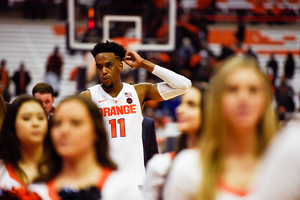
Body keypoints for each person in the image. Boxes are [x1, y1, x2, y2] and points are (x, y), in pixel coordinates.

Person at [163, 55, 278, 200]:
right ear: (216, 101)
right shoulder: (188, 166)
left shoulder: (286, 167)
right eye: (232, 89)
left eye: (253, 90)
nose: (243, 97)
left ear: (265, 100)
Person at [80, 41, 191, 187]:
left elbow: (184, 85)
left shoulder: (137, 93)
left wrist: (144, 63)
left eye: (108, 65)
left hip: (135, 183)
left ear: (120, 66)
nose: (103, 71)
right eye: (99, 67)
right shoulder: (89, 97)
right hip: (104, 183)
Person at [30, 96, 140, 200]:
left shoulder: (121, 187)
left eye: (76, 123)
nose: (64, 130)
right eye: (57, 123)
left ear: (96, 131)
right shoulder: (37, 191)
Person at [143, 82, 207, 200]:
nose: (179, 110)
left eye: (191, 104)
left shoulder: (227, 163)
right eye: (182, 103)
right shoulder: (161, 166)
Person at [0, 95, 48, 189]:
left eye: (41, 118)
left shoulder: (60, 167)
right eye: (26, 118)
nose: (35, 123)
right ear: (12, 124)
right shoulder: (2, 171)